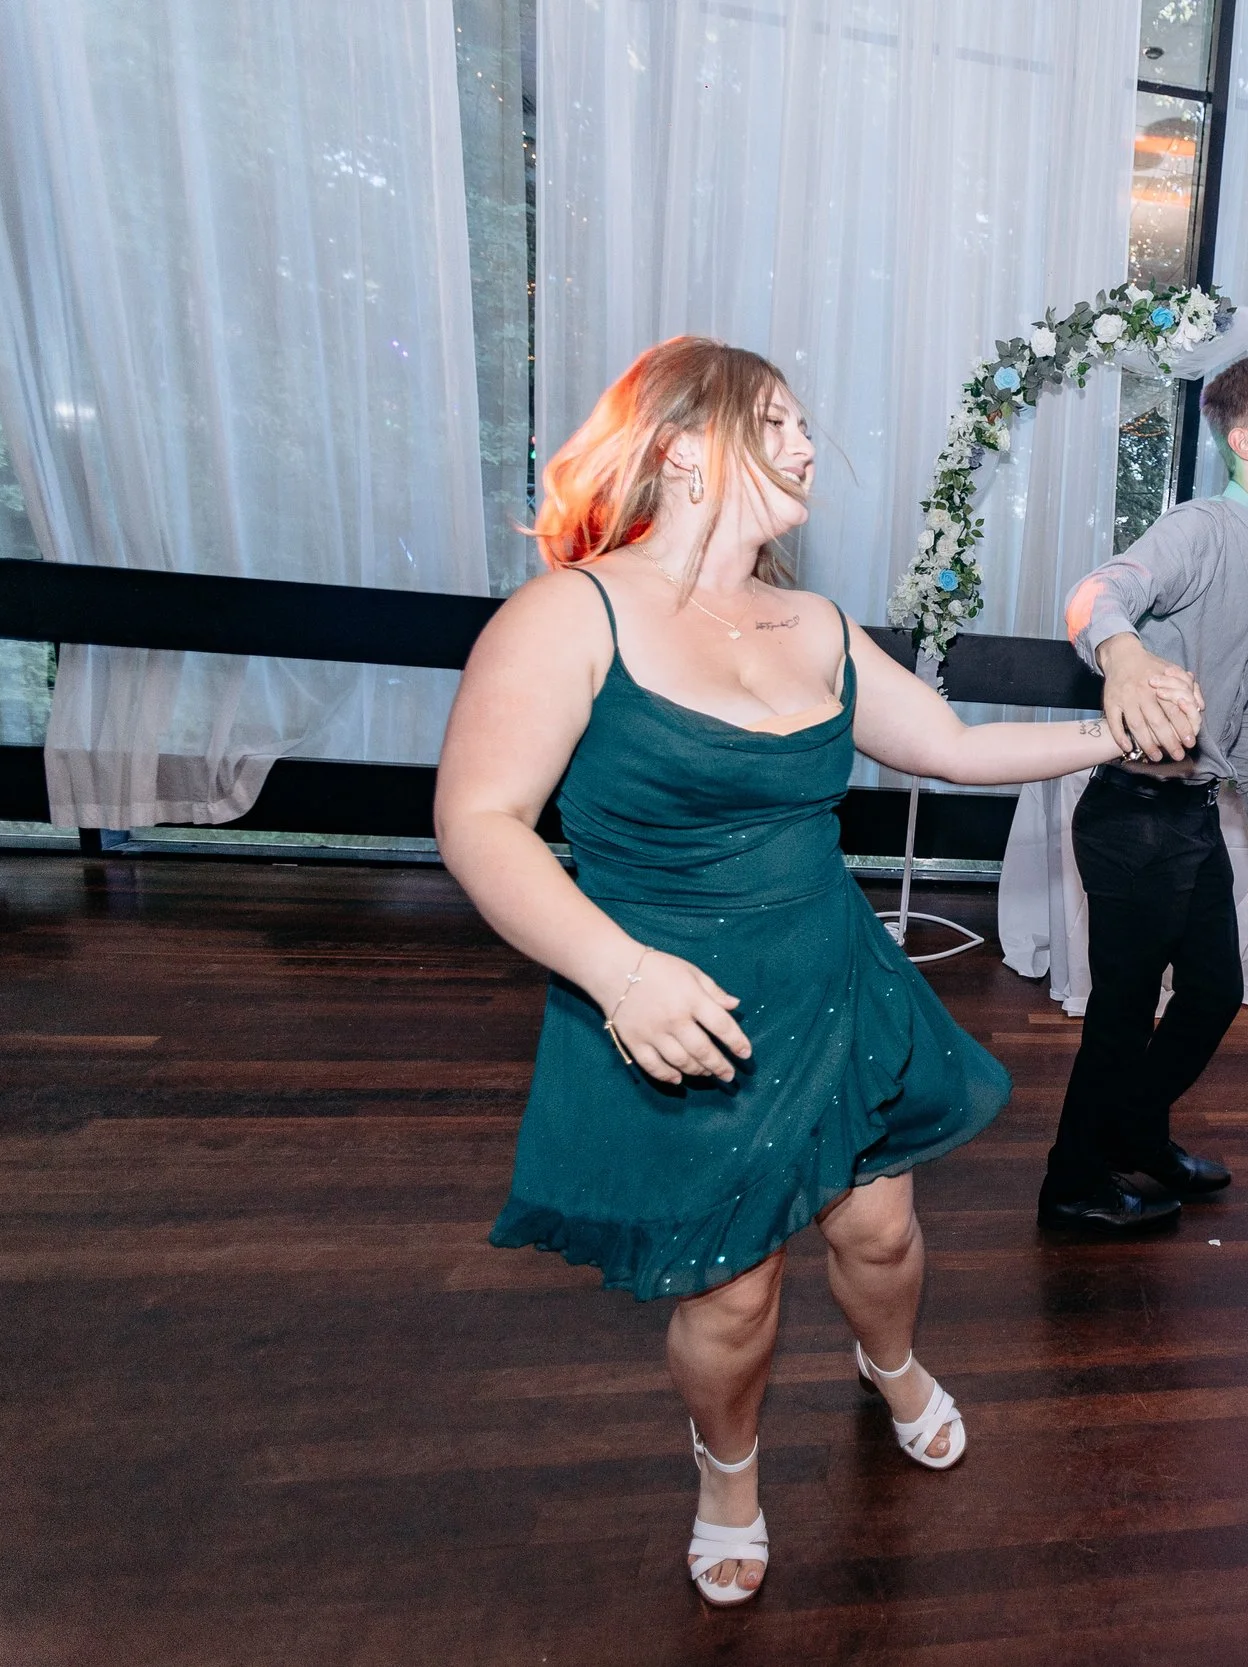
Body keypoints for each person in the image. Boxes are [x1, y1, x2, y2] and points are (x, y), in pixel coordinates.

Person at [433, 337, 1199, 1607]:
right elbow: (480, 823)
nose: (805, 444)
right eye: (774, 420)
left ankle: (890, 1363)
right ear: (680, 443)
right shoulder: (571, 612)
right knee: (732, 1296)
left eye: (801, 420)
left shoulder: (817, 623)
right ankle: (726, 1467)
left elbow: (948, 741)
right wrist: (620, 974)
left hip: (829, 970)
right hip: (673, 1001)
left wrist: (1111, 728)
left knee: (883, 1226)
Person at [1041, 351, 1248, 1236]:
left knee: (1212, 992)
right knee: (1121, 1017)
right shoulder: (1201, 529)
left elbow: (1245, 704)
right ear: (1246, 442)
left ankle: (1137, 1131)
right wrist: (1123, 655)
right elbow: (1096, 593)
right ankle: (1071, 1183)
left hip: (1197, 814)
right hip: (1129, 816)